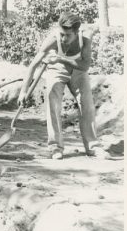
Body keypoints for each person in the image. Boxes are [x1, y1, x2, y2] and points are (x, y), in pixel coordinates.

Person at [18, 12, 110, 160]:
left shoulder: (85, 38)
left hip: (79, 72)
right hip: (56, 70)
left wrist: (60, 58)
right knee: (52, 102)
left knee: (87, 105)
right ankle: (55, 147)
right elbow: (33, 65)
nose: (63, 38)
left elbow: (85, 66)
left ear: (76, 32)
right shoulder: (53, 39)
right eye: (61, 34)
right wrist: (24, 91)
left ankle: (93, 147)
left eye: (67, 35)